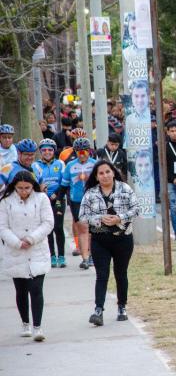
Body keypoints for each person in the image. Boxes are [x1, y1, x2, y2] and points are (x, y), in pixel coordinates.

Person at [79, 160, 140, 327]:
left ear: (113, 172)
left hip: (123, 238)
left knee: (121, 273)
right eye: (101, 173)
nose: (105, 175)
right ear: (96, 177)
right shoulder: (90, 193)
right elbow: (82, 216)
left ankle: (122, 307)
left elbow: (136, 209)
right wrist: (100, 218)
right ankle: (98, 310)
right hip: (100, 240)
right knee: (102, 275)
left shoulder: (125, 189)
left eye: (107, 172)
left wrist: (119, 218)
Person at [0, 171, 53, 342]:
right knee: (21, 290)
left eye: (27, 188)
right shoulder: (6, 201)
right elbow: (2, 227)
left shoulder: (42, 199)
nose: (24, 191)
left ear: (33, 186)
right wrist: (16, 242)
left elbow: (48, 222)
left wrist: (32, 238)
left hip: (37, 249)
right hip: (15, 250)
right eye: (20, 188)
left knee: (36, 289)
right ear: (14, 186)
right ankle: (25, 323)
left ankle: (38, 326)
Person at [61, 137, 97, 269]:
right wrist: (59, 199)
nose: (82, 154)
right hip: (76, 201)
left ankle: (92, 255)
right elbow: (64, 185)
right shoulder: (70, 166)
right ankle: (85, 258)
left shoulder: (95, 164)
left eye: (85, 151)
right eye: (79, 151)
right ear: (75, 152)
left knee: (92, 230)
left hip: (92, 201)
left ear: (89, 151)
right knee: (82, 229)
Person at [33, 139, 66, 268]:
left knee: (58, 227)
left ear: (54, 151)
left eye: (50, 150)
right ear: (40, 152)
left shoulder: (60, 163)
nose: (47, 152)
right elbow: (36, 183)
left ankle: (61, 256)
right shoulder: (36, 165)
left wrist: (56, 195)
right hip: (43, 199)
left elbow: (64, 182)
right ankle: (52, 255)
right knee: (49, 229)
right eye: (44, 150)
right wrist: (44, 193)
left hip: (58, 199)